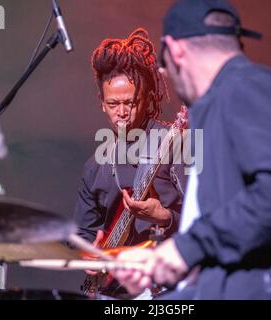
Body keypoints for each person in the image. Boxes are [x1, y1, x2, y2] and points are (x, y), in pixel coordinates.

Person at [114, 0, 271, 299]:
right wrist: (161, 262)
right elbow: (248, 234)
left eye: (163, 67)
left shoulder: (249, 88)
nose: (165, 74)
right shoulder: (226, 104)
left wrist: (188, 248)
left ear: (176, 50)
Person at [73, 28, 186, 298]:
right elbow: (82, 232)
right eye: (113, 104)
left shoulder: (175, 144)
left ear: (147, 100)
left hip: (167, 290)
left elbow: (208, 220)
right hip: (112, 293)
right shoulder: (95, 167)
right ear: (101, 103)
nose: (122, 113)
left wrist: (166, 217)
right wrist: (87, 251)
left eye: (130, 103)